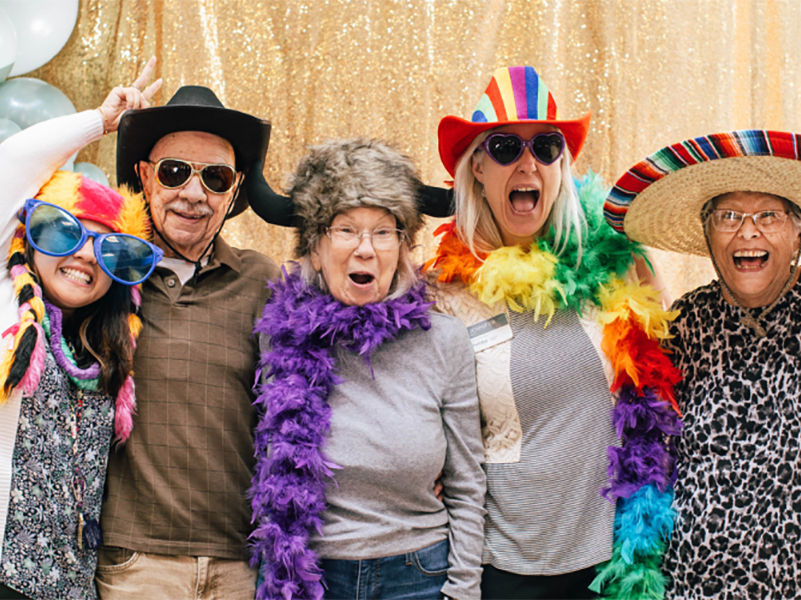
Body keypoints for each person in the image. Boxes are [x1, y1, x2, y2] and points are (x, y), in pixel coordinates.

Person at [424, 65, 683, 600]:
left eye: (545, 147)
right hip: (502, 569)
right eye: (504, 148)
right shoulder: (441, 295)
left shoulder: (614, 265)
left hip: (609, 564)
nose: (527, 163)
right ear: (475, 168)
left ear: (561, 166)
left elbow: (661, 386)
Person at [249, 138, 487, 600]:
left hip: (419, 574)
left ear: (402, 248)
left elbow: (467, 485)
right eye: (345, 229)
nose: (365, 249)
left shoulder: (443, 339)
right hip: (313, 576)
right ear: (316, 249)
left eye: (383, 232)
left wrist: (462, 591)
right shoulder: (281, 334)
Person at [93, 84, 281, 598]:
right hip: (136, 565)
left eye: (215, 178)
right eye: (175, 171)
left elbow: (324, 386)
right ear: (145, 176)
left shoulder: (264, 281)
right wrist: (94, 124)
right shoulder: (104, 273)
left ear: (235, 189)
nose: (194, 194)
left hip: (239, 566)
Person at [605, 129, 801, 599]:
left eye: (768, 216)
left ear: (798, 233)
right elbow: (629, 438)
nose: (747, 231)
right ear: (709, 237)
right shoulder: (682, 326)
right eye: (728, 216)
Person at [0, 77, 162, 599]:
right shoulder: (8, 305)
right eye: (63, 230)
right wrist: (99, 121)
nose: (85, 255)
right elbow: (8, 169)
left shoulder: (106, 343)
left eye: (107, 247)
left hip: (70, 586)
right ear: (30, 233)